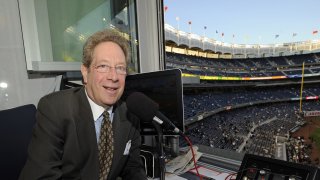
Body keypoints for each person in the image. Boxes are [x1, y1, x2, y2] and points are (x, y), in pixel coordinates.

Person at [19, 29, 147, 180]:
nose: (113, 77)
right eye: (103, 66)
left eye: (120, 68)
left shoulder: (130, 113)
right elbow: (41, 177)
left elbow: (132, 169)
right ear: (85, 73)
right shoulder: (55, 109)